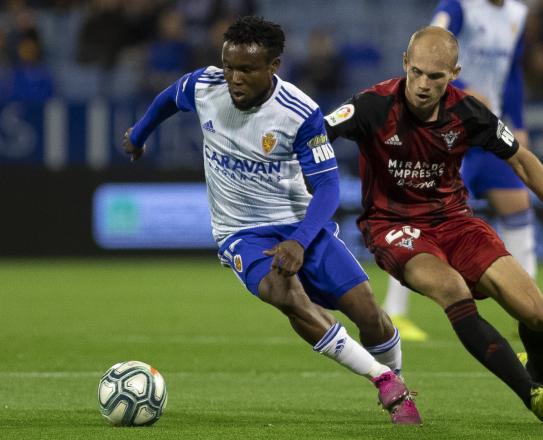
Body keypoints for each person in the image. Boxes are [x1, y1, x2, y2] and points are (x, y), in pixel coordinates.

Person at [121, 16, 421, 425]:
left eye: (246, 69)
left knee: (369, 313)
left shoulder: (299, 113)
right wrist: (139, 134)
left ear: (274, 66)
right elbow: (169, 98)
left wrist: (299, 240)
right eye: (229, 66)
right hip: (240, 232)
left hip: (300, 222)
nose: (233, 78)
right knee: (285, 294)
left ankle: (400, 384)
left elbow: (329, 188)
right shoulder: (205, 86)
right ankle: (382, 379)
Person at [324, 26, 543, 423]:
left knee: (540, 316)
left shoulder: (468, 112)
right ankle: (532, 397)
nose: (422, 85)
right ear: (405, 63)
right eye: (416, 72)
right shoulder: (371, 105)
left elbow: (521, 158)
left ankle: (541, 378)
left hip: (455, 221)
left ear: (453, 73)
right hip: (393, 225)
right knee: (453, 290)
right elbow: (316, 136)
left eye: (435, 76)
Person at [381, 0, 543, 341]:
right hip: (449, 127)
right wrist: (463, 88)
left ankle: (525, 309)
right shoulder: (459, 7)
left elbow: (512, 74)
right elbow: (431, 47)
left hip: (488, 128)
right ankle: (395, 312)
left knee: (518, 205)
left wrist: (519, 123)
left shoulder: (517, 15)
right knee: (419, 216)